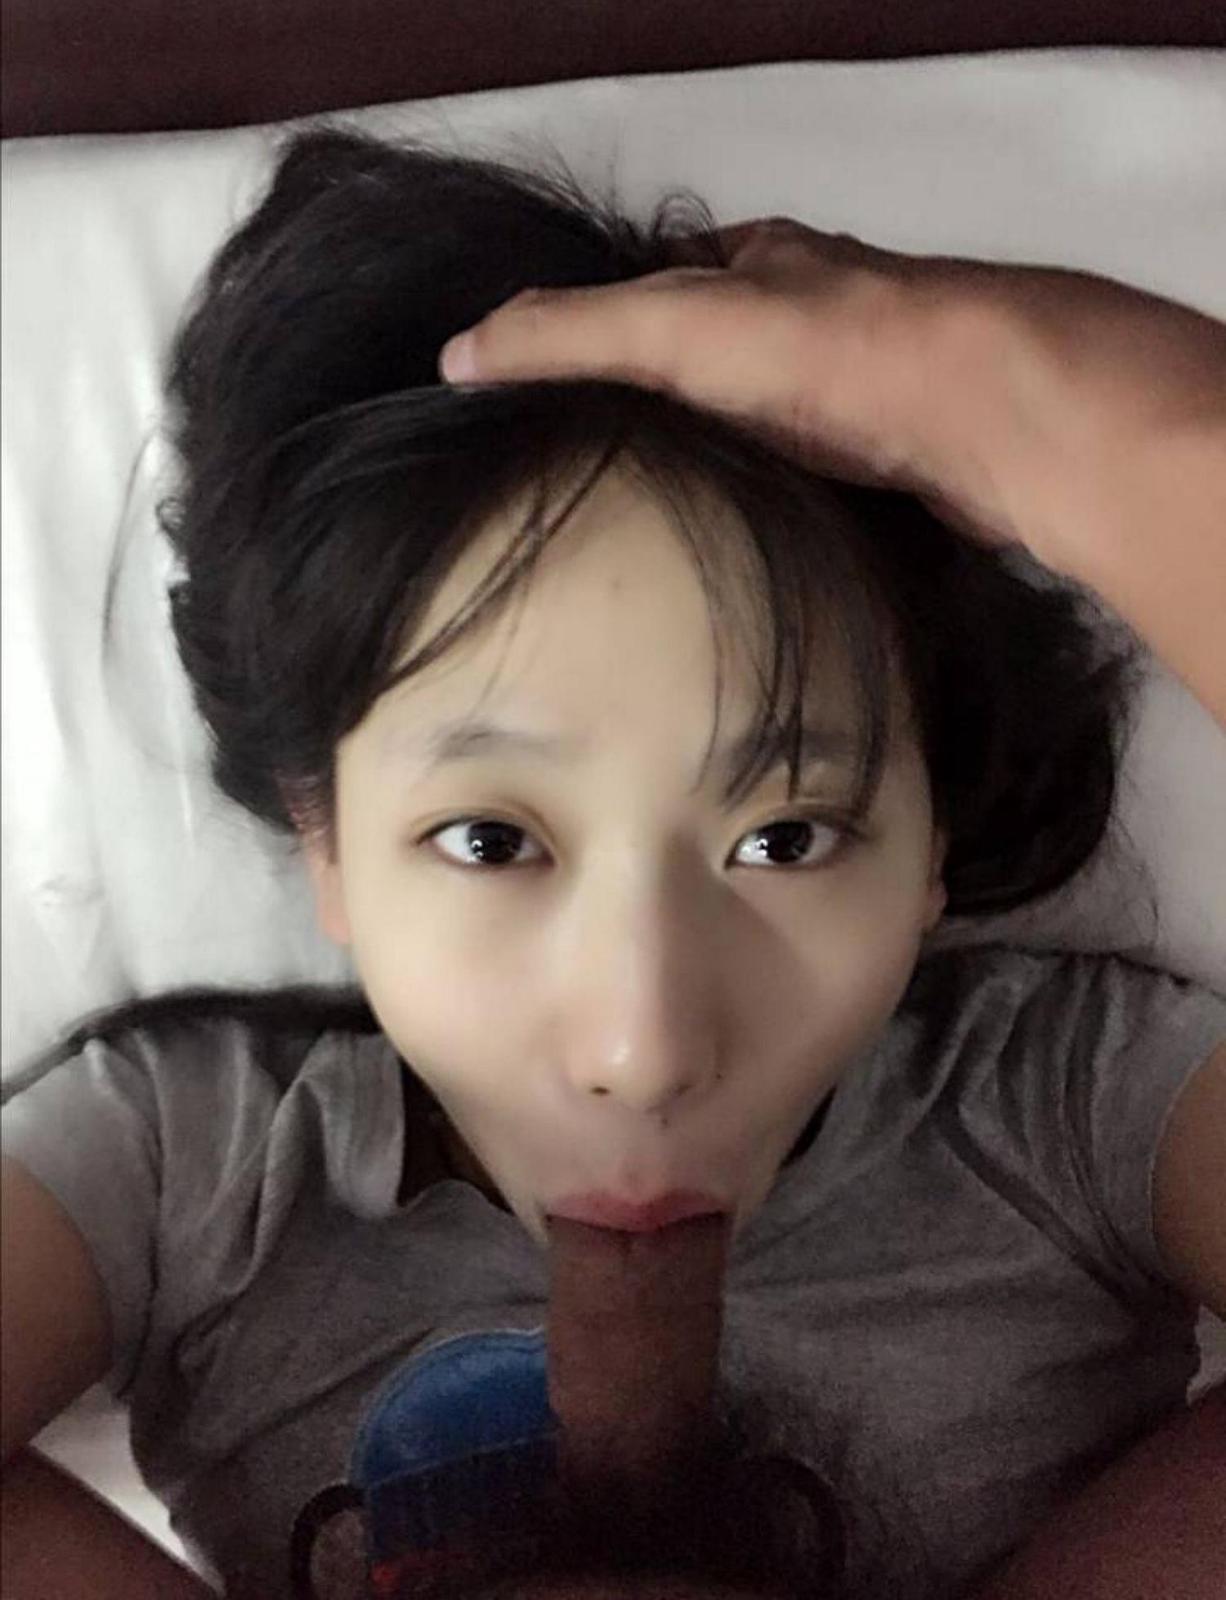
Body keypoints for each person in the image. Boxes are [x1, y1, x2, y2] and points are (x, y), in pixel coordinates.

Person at [1, 127, 1223, 1600]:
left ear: (933, 847)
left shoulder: (1062, 1106)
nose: (642, 1052)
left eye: (784, 838)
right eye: (490, 841)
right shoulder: (195, 1171)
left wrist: (1058, 409)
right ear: (323, 841)